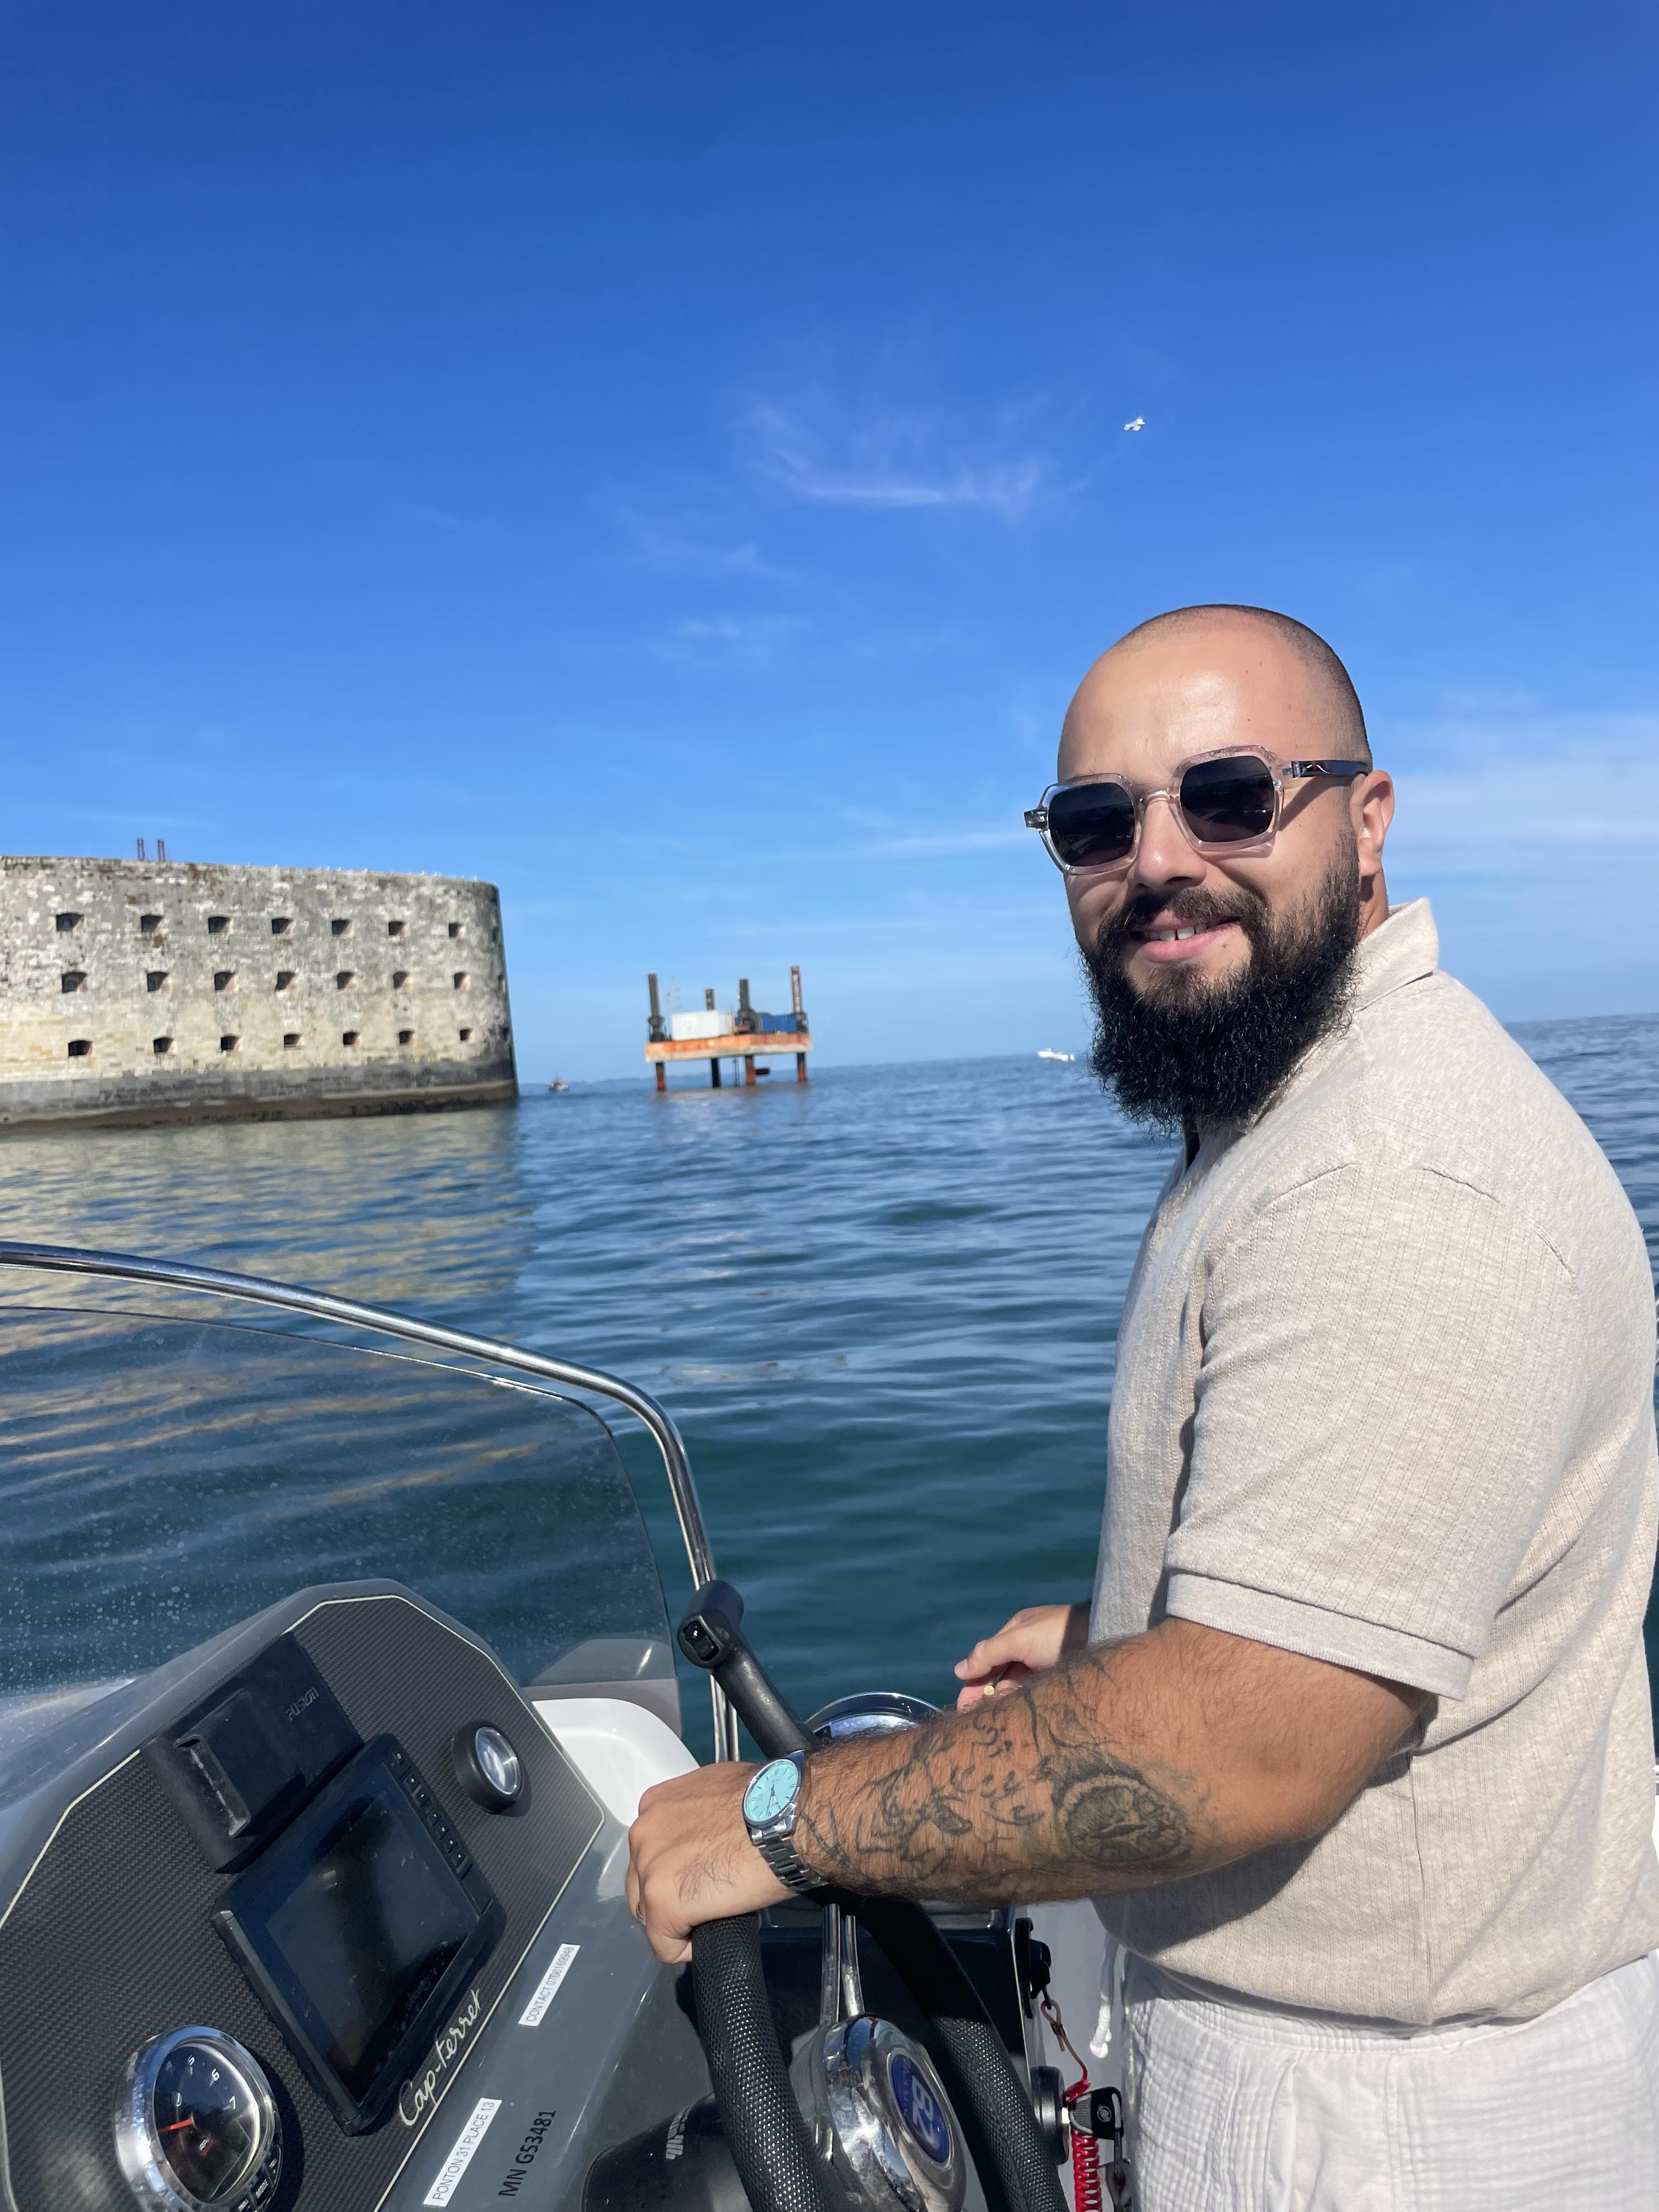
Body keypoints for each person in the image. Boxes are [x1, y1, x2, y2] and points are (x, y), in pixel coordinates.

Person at [627, 604, 1659, 2209]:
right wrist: (1136, 1636)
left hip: (1379, 2119)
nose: (1160, 860)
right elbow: (1327, 1625)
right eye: (1099, 822)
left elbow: (1236, 1748)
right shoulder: (1292, 1112)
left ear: (1367, 820)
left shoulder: (1392, 1181)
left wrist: (777, 1815)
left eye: (1232, 796)